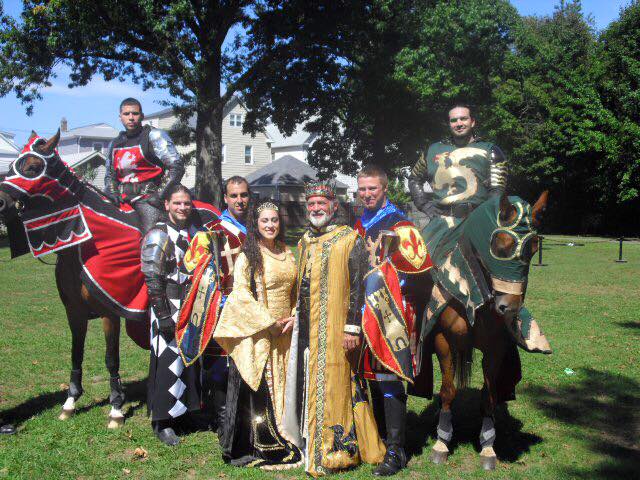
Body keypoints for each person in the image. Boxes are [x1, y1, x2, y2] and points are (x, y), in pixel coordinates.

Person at [408, 103, 550, 353]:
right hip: (441, 222)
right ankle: (415, 335)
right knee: (414, 270)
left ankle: (516, 326)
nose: (458, 124)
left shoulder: (491, 151)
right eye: (454, 120)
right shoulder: (433, 150)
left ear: (473, 121)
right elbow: (414, 179)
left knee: (500, 271)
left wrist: (484, 220)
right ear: (448, 124)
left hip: (478, 221)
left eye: (463, 119)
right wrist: (425, 207)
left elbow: (497, 192)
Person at [282, 182, 385, 477]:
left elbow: (359, 285)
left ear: (334, 207)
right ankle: (308, 438)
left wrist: (352, 327)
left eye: (321, 204)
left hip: (338, 328)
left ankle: (335, 449)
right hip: (306, 328)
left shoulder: (349, 239)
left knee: (337, 384)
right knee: (308, 380)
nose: (316, 209)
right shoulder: (302, 242)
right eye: (311, 204)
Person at [213, 200, 301, 469]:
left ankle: (291, 432)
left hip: (287, 332)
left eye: (274, 220)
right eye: (265, 221)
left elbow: (297, 290)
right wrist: (269, 322)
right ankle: (265, 440)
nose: (270, 225)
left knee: (288, 383)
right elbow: (240, 295)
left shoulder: (288, 252)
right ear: (256, 224)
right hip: (262, 332)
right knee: (263, 386)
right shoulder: (248, 256)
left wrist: (295, 315)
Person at [183, 176, 249, 434]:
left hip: (250, 310)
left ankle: (242, 414)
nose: (239, 200)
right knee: (219, 366)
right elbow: (194, 270)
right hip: (221, 309)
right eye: (234, 196)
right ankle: (221, 419)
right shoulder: (211, 232)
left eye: (243, 195)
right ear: (225, 198)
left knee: (245, 362)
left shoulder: (256, 229)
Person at [140, 185, 202, 446]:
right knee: (168, 361)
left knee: (187, 360)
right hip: (168, 304)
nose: (182, 208)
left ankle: (183, 413)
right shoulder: (158, 234)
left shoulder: (192, 234)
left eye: (186, 203)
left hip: (190, 305)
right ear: (166, 205)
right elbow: (152, 277)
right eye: (177, 203)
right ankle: (163, 421)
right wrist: (163, 314)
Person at [105, 97, 185, 233]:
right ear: (120, 117)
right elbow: (110, 175)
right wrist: (112, 191)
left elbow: (176, 167)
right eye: (126, 114)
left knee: (151, 237)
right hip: (120, 200)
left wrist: (159, 196)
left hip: (147, 200)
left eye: (135, 114)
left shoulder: (154, 136)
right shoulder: (114, 143)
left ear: (142, 116)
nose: (131, 118)